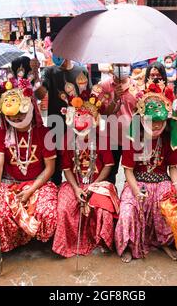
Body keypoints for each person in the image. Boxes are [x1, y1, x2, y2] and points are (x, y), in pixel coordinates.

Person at [0, 79, 58, 253]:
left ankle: (36, 241)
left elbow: (50, 168)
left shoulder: (44, 132)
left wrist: (31, 190)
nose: (16, 117)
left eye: (20, 113)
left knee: (48, 213)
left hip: (38, 183)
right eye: (12, 115)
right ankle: (15, 241)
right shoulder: (0, 133)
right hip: (9, 183)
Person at [115, 80, 177, 263]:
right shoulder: (133, 136)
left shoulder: (167, 138)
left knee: (175, 207)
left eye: (161, 122)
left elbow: (173, 168)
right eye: (152, 121)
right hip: (137, 182)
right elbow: (128, 171)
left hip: (162, 181)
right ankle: (128, 245)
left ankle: (165, 242)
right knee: (127, 210)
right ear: (142, 119)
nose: (157, 126)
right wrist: (136, 191)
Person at [52, 85, 119, 257]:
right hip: (74, 183)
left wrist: (94, 186)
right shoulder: (67, 139)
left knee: (102, 209)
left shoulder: (101, 138)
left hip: (98, 183)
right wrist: (76, 188)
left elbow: (109, 165)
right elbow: (66, 168)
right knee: (64, 208)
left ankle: (101, 241)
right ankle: (69, 244)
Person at [34, 53, 90, 186]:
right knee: (57, 167)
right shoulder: (49, 71)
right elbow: (40, 94)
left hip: (80, 126)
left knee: (80, 162)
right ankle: (56, 192)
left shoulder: (82, 71)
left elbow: (89, 98)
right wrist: (36, 75)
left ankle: (80, 191)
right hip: (57, 126)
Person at [97, 64, 139, 184]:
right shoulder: (104, 85)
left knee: (131, 173)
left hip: (131, 137)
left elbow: (140, 112)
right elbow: (103, 114)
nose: (121, 67)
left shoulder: (136, 86)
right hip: (111, 137)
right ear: (112, 66)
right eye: (118, 65)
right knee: (109, 174)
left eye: (124, 64)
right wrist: (114, 99)